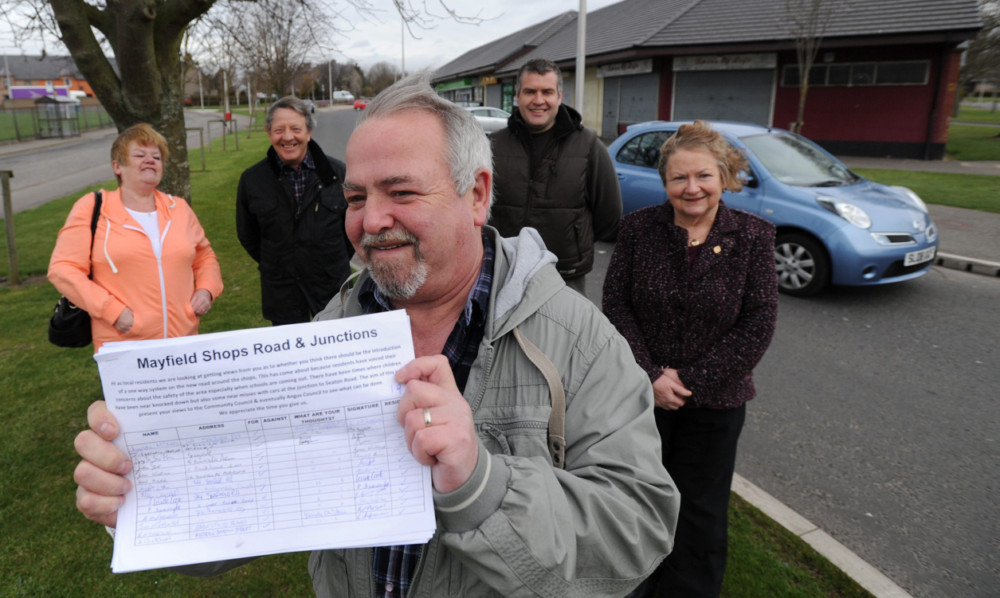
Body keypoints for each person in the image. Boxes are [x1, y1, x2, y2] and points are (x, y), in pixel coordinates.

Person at [73, 74, 680, 597]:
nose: (372, 219)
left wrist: (481, 484)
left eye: (402, 191)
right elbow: (246, 516)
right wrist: (138, 498)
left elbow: (636, 537)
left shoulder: (579, 344)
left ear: (477, 195)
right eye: (357, 196)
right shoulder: (325, 336)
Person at [602, 120, 779, 598]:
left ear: (724, 176)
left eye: (703, 176)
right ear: (664, 183)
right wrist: (651, 376)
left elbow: (758, 322)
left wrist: (692, 381)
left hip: (716, 406)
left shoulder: (754, 237)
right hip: (642, 401)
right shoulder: (638, 230)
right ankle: (633, 584)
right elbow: (616, 306)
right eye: (679, 178)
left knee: (700, 511)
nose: (692, 188)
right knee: (639, 499)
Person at [48, 123, 223, 352]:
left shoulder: (179, 208)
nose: (150, 160)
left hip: (183, 342)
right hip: (123, 344)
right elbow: (63, 269)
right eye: (140, 155)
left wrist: (207, 289)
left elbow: (204, 256)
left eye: (156, 157)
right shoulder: (92, 208)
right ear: (117, 166)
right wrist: (113, 311)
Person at [489, 58, 621, 295]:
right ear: (517, 96)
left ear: (559, 97)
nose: (539, 100)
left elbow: (609, 217)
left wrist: (575, 245)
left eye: (547, 92)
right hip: (503, 272)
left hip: (565, 277)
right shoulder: (493, 146)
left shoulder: (588, 145)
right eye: (530, 91)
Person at [236, 95, 353, 325]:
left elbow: (352, 229)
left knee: (335, 357)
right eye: (279, 130)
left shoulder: (338, 175)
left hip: (331, 288)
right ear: (269, 133)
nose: (288, 137)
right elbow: (248, 235)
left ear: (308, 132)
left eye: (295, 129)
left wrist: (332, 261)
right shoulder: (252, 180)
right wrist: (277, 261)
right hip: (282, 292)